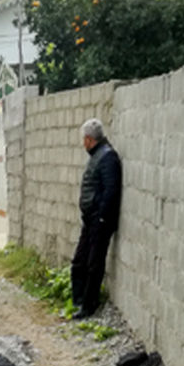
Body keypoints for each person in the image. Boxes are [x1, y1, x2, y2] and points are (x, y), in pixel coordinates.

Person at [71, 118, 122, 319]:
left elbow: (111, 191)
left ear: (90, 139)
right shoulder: (97, 156)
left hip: (99, 222)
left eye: (84, 139)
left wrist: (101, 218)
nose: (83, 143)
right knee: (79, 262)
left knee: (94, 264)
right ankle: (79, 302)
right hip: (90, 220)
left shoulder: (108, 158)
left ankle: (89, 306)